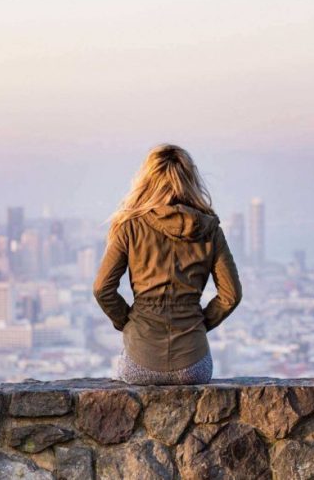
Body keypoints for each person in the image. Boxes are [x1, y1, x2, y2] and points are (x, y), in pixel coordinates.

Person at [92, 143, 242, 385]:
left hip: (140, 360)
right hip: (194, 364)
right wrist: (199, 323)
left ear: (147, 180)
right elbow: (231, 295)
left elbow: (102, 289)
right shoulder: (210, 229)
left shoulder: (130, 226)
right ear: (191, 180)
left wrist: (128, 322)